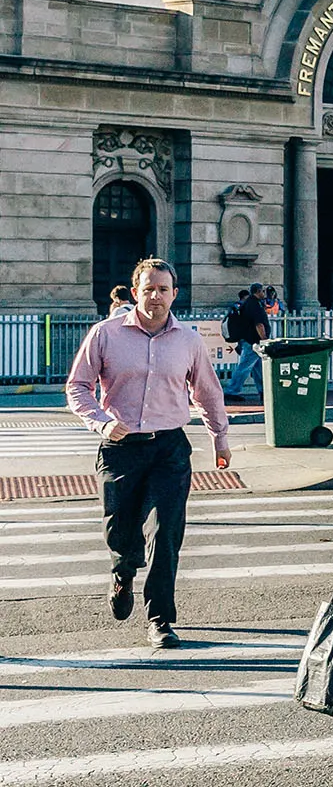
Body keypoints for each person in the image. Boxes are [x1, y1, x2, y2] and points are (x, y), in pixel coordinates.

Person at [65, 259, 231, 649]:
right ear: (135, 291)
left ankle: (160, 619)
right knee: (122, 534)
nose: (155, 296)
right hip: (120, 448)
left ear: (174, 294)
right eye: (148, 289)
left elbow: (207, 392)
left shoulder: (188, 340)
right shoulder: (105, 334)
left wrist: (220, 438)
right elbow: (78, 387)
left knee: (166, 534)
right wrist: (103, 423)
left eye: (163, 289)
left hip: (169, 448)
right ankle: (122, 574)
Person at [223, 284, 268, 400]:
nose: (265, 293)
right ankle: (231, 391)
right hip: (253, 341)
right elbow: (259, 324)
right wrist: (264, 340)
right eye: (263, 291)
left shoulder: (250, 303)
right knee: (244, 367)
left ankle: (264, 391)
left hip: (251, 341)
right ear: (258, 291)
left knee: (258, 368)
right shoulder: (254, 304)